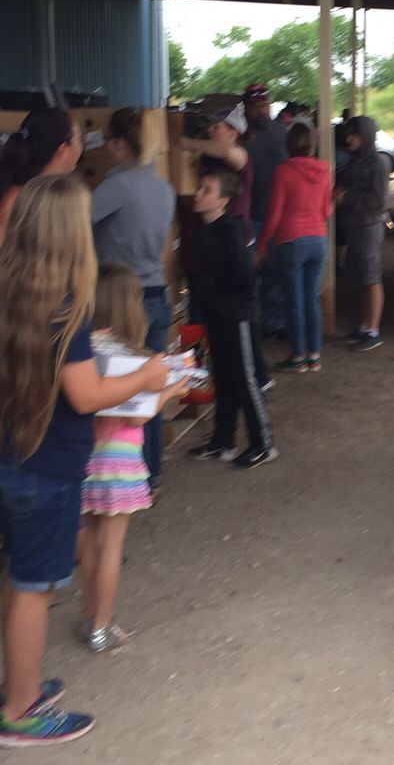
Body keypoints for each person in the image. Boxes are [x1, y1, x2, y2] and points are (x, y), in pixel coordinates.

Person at [0, 175, 169, 747]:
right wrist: (146, 376)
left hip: (13, 456)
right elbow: (86, 397)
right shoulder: (63, 308)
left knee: (23, 578)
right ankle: (20, 712)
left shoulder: (9, 290)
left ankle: (20, 684)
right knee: (33, 585)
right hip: (45, 467)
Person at [78, 264, 187, 654]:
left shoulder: (83, 351)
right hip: (119, 463)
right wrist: (173, 391)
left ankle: (91, 611)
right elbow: (137, 414)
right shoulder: (129, 356)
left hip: (84, 460)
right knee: (111, 546)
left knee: (90, 539)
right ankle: (101, 628)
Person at [91, 108, 176, 491]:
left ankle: (116, 477)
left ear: (120, 143)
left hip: (124, 298)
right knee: (151, 386)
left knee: (120, 393)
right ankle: (152, 472)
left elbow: (75, 222)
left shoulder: (117, 185)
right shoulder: (164, 187)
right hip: (158, 293)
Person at [188, 165, 276, 470]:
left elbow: (244, 276)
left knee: (245, 379)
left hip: (237, 315)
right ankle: (223, 441)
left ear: (224, 199)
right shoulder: (206, 229)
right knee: (224, 379)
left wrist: (208, 286)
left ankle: (263, 443)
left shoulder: (230, 231)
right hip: (217, 314)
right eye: (199, 187)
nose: (197, 194)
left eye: (206, 190)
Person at [258, 123, 332, 373]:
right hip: (318, 239)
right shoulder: (324, 170)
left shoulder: (283, 172)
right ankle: (315, 355)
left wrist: (262, 244)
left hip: (291, 241)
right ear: (312, 144)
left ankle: (297, 355)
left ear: (289, 144)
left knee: (294, 301)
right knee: (311, 298)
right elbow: (326, 210)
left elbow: (275, 213)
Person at [335, 116, 388, 352]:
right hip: (355, 226)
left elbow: (378, 200)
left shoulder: (376, 163)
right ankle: (365, 326)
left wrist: (346, 197)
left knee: (370, 277)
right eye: (348, 134)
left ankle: (373, 330)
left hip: (368, 226)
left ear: (365, 136)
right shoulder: (355, 161)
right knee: (360, 278)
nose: (349, 138)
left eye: (353, 134)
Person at [0, 107, 83, 244]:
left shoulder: (47, 195)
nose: (81, 148)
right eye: (79, 140)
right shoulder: (15, 203)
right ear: (62, 150)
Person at [243, 84, 288, 337]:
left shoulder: (281, 131)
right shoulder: (239, 135)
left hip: (278, 217)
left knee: (275, 273)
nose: (261, 111)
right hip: (251, 218)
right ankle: (253, 325)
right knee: (251, 274)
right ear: (246, 108)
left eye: (264, 105)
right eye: (255, 106)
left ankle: (275, 323)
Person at [180, 102, 253, 243]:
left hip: (234, 235)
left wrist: (187, 143)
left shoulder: (241, 154)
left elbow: (228, 152)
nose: (210, 130)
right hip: (209, 231)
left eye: (217, 127)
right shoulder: (208, 154)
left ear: (233, 132)